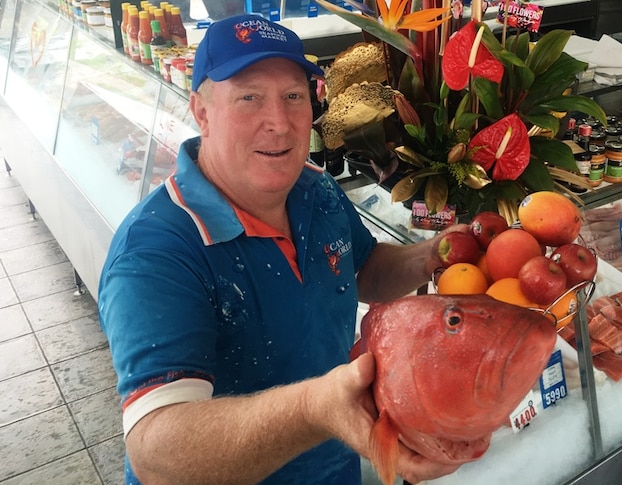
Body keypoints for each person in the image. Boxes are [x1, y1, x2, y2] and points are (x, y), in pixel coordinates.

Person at [98, 14, 463, 485]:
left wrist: (433, 255)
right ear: (202, 111)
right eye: (249, 97)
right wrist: (316, 408)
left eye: (294, 96)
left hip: (335, 468)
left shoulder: (316, 189)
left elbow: (366, 270)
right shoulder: (156, 252)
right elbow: (156, 451)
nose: (279, 122)